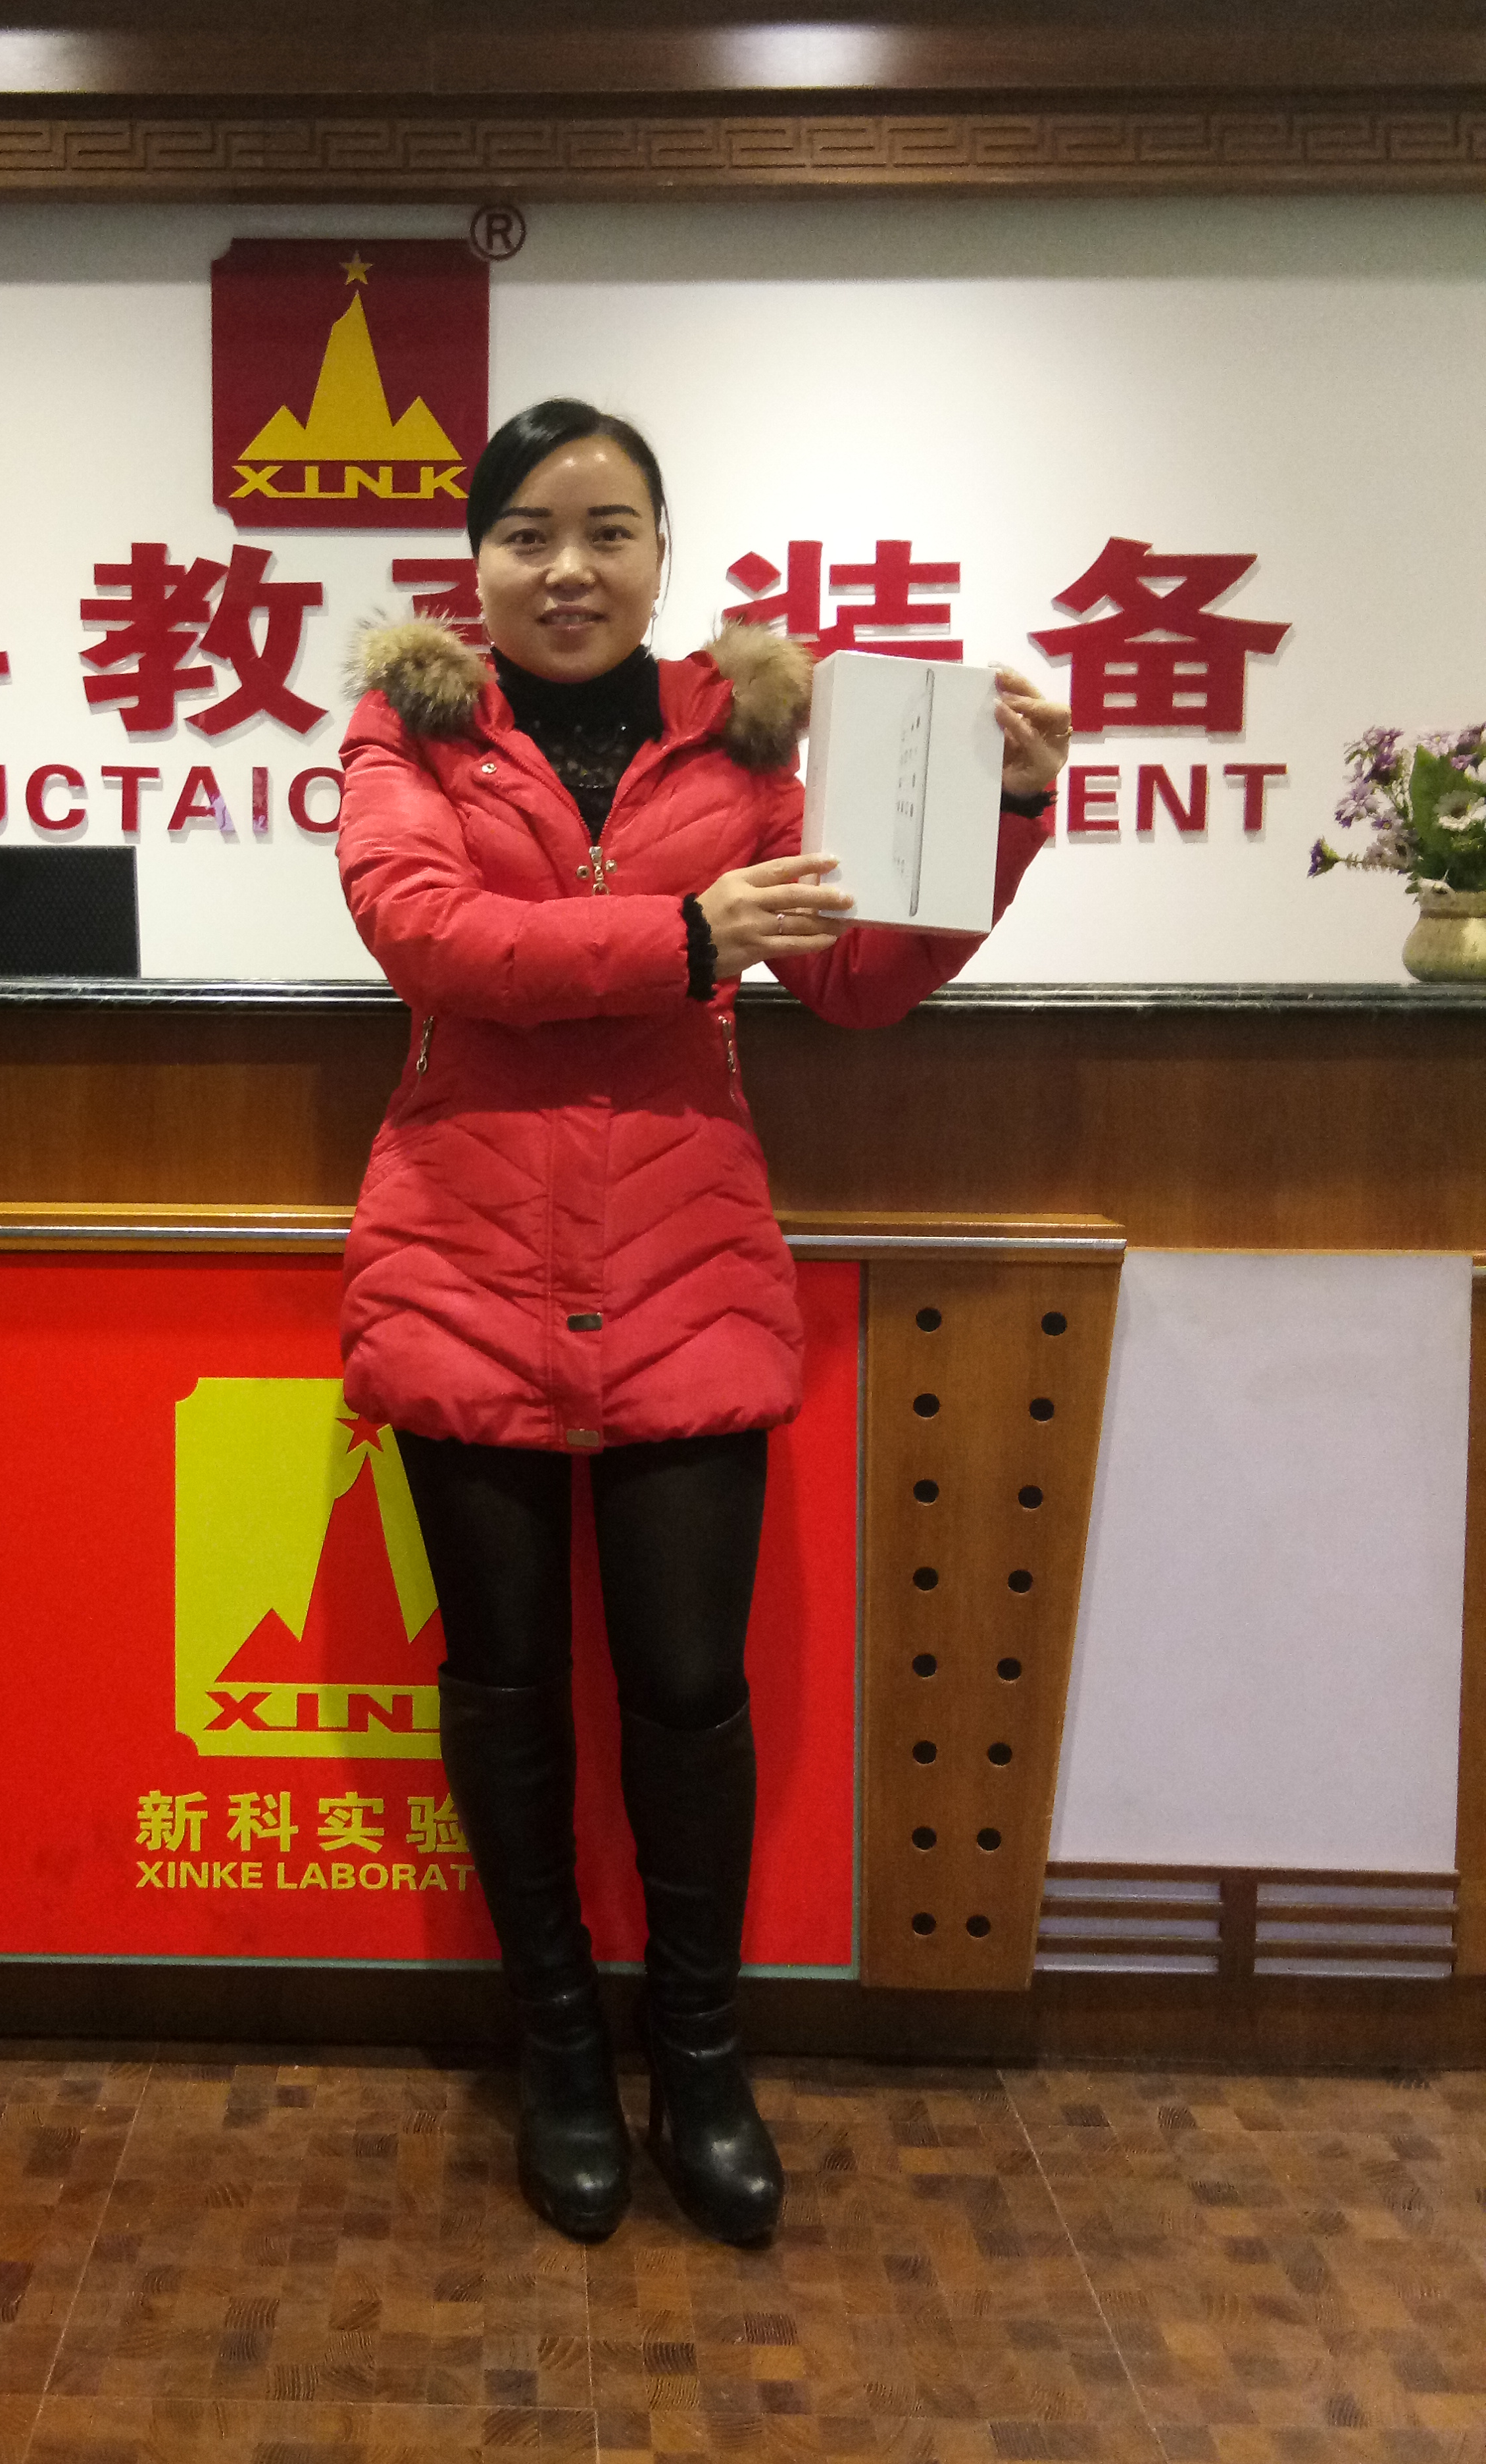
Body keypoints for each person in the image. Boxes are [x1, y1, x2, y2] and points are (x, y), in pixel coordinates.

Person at [334, 399, 1070, 2246]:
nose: (567, 569)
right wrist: (686, 935)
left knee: (686, 1692)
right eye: (527, 532)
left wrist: (1005, 811)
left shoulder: (746, 738)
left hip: (686, 1269)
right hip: (463, 1264)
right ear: (477, 561)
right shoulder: (409, 730)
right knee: (506, 1688)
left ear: (665, 552)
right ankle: (560, 2055)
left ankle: (704, 2056)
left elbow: (860, 981)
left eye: (608, 530)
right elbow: (427, 938)